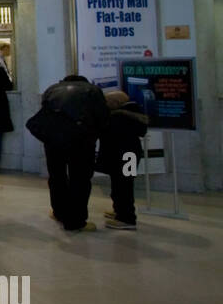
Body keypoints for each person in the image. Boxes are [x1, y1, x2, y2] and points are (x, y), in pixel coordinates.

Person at [27, 74, 110, 232]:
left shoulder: (51, 90)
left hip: (53, 141)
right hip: (81, 140)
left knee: (57, 176)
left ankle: (59, 212)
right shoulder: (92, 90)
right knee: (80, 179)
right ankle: (76, 221)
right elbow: (102, 118)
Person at [96, 90, 147, 230]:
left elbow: (106, 133)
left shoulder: (118, 117)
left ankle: (127, 218)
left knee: (123, 187)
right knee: (122, 184)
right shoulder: (132, 115)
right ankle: (119, 211)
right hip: (129, 154)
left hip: (123, 155)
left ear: (114, 104)